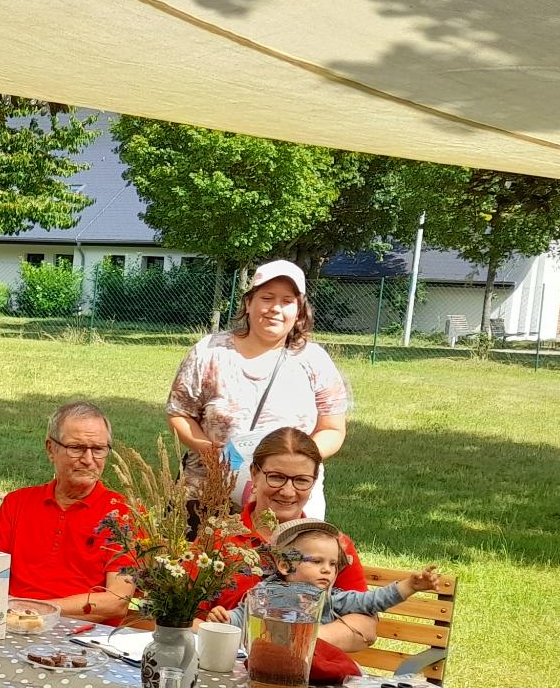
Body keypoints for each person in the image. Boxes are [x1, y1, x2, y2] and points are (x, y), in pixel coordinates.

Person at [166, 260, 350, 518]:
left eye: (287, 300)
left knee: (288, 558)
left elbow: (332, 428)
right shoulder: (209, 352)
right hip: (208, 494)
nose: (275, 308)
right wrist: (209, 451)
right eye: (267, 297)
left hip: (287, 500)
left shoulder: (315, 361)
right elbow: (179, 413)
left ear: (299, 310)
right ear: (248, 303)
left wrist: (295, 463)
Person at [207, 428, 379, 651]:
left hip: (304, 674)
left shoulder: (333, 546)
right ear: (254, 474)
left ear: (314, 482)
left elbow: (365, 626)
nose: (288, 492)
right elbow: (186, 619)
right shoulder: (218, 541)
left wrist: (292, 637)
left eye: (301, 480)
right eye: (276, 477)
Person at [0, 400, 136, 621]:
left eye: (98, 449)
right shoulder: (17, 503)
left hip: (82, 638)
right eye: (76, 448)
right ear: (51, 449)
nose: (88, 460)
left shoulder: (123, 513)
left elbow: (117, 601)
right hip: (11, 626)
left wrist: (36, 611)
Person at [211, 518, 439, 632]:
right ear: (284, 565)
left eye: (333, 564)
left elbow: (372, 601)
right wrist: (225, 619)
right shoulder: (264, 594)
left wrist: (410, 586)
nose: (327, 569)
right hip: (266, 669)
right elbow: (241, 618)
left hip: (315, 677)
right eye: (317, 561)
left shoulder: (331, 599)